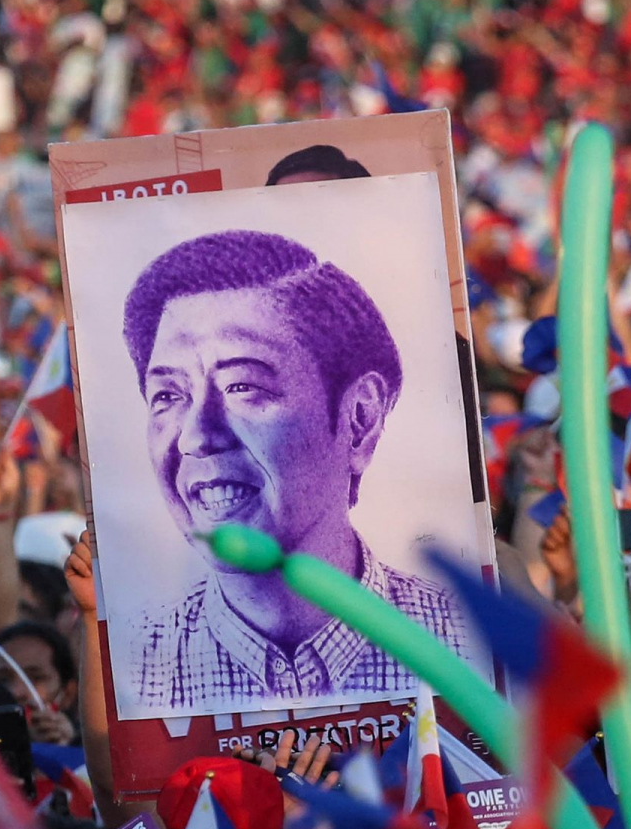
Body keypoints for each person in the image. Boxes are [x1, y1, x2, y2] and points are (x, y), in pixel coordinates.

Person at [118, 227, 471, 713]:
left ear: (359, 419)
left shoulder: (463, 644)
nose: (197, 436)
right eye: (168, 396)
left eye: (243, 386)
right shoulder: (135, 669)